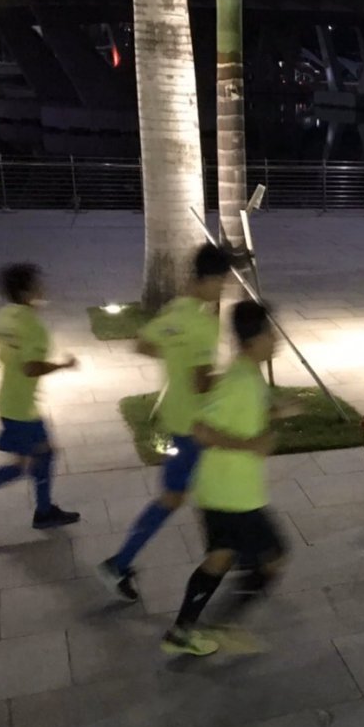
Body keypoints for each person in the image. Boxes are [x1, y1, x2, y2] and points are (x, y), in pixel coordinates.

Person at [162, 300, 300, 656]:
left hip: (219, 490)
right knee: (274, 557)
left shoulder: (247, 373)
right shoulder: (240, 381)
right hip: (235, 496)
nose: (277, 340)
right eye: (272, 333)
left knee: (220, 558)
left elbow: (245, 411)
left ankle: (180, 633)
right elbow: (201, 429)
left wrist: (276, 411)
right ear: (255, 339)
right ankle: (223, 624)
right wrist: (251, 444)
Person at [96, 245, 230, 601]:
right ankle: (120, 563)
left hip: (175, 419)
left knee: (181, 494)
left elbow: (142, 344)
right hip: (195, 426)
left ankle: (123, 562)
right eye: (222, 282)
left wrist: (175, 357)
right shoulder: (203, 324)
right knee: (186, 495)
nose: (222, 289)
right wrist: (233, 378)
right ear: (210, 279)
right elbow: (202, 383)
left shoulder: (175, 310)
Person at [0, 263, 79, 528]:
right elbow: (30, 368)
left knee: (34, 459)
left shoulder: (2, 317)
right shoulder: (32, 325)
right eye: (37, 283)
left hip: (6, 400)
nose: (43, 287)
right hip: (22, 408)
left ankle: (43, 510)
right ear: (26, 291)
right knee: (32, 461)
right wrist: (63, 365)